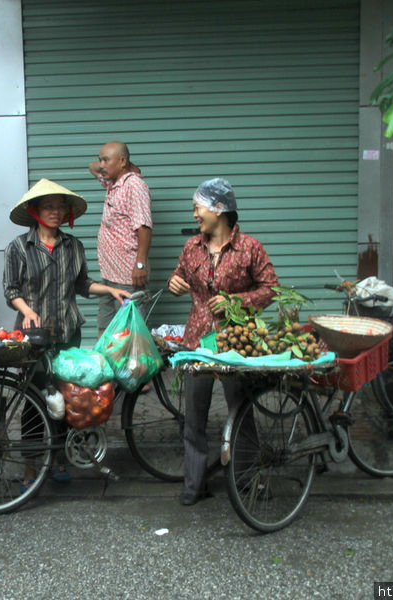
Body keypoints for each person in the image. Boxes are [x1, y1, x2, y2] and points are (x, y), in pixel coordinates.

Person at [3, 179, 131, 484]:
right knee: (35, 402)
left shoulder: (73, 246)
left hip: (66, 333)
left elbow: (82, 284)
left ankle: (59, 459)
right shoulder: (19, 247)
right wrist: (27, 310)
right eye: (49, 206)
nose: (56, 212)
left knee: (67, 400)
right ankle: (31, 466)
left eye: (60, 207)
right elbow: (11, 290)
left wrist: (110, 289)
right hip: (33, 338)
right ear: (35, 211)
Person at [166, 178, 279, 506]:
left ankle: (249, 481)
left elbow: (270, 288)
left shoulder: (250, 247)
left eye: (198, 206)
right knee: (194, 418)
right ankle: (194, 485)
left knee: (240, 413)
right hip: (197, 343)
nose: (195, 214)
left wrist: (236, 302)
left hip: (234, 344)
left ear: (220, 208)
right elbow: (180, 277)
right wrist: (175, 283)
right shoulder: (192, 247)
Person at [88, 141, 153, 334]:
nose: (101, 165)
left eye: (106, 160)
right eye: (101, 159)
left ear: (122, 161)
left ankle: (131, 365)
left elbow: (144, 227)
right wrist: (108, 165)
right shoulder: (113, 183)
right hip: (109, 273)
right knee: (105, 327)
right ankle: (105, 364)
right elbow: (92, 167)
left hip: (127, 274)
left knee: (130, 331)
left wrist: (140, 264)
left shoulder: (135, 186)